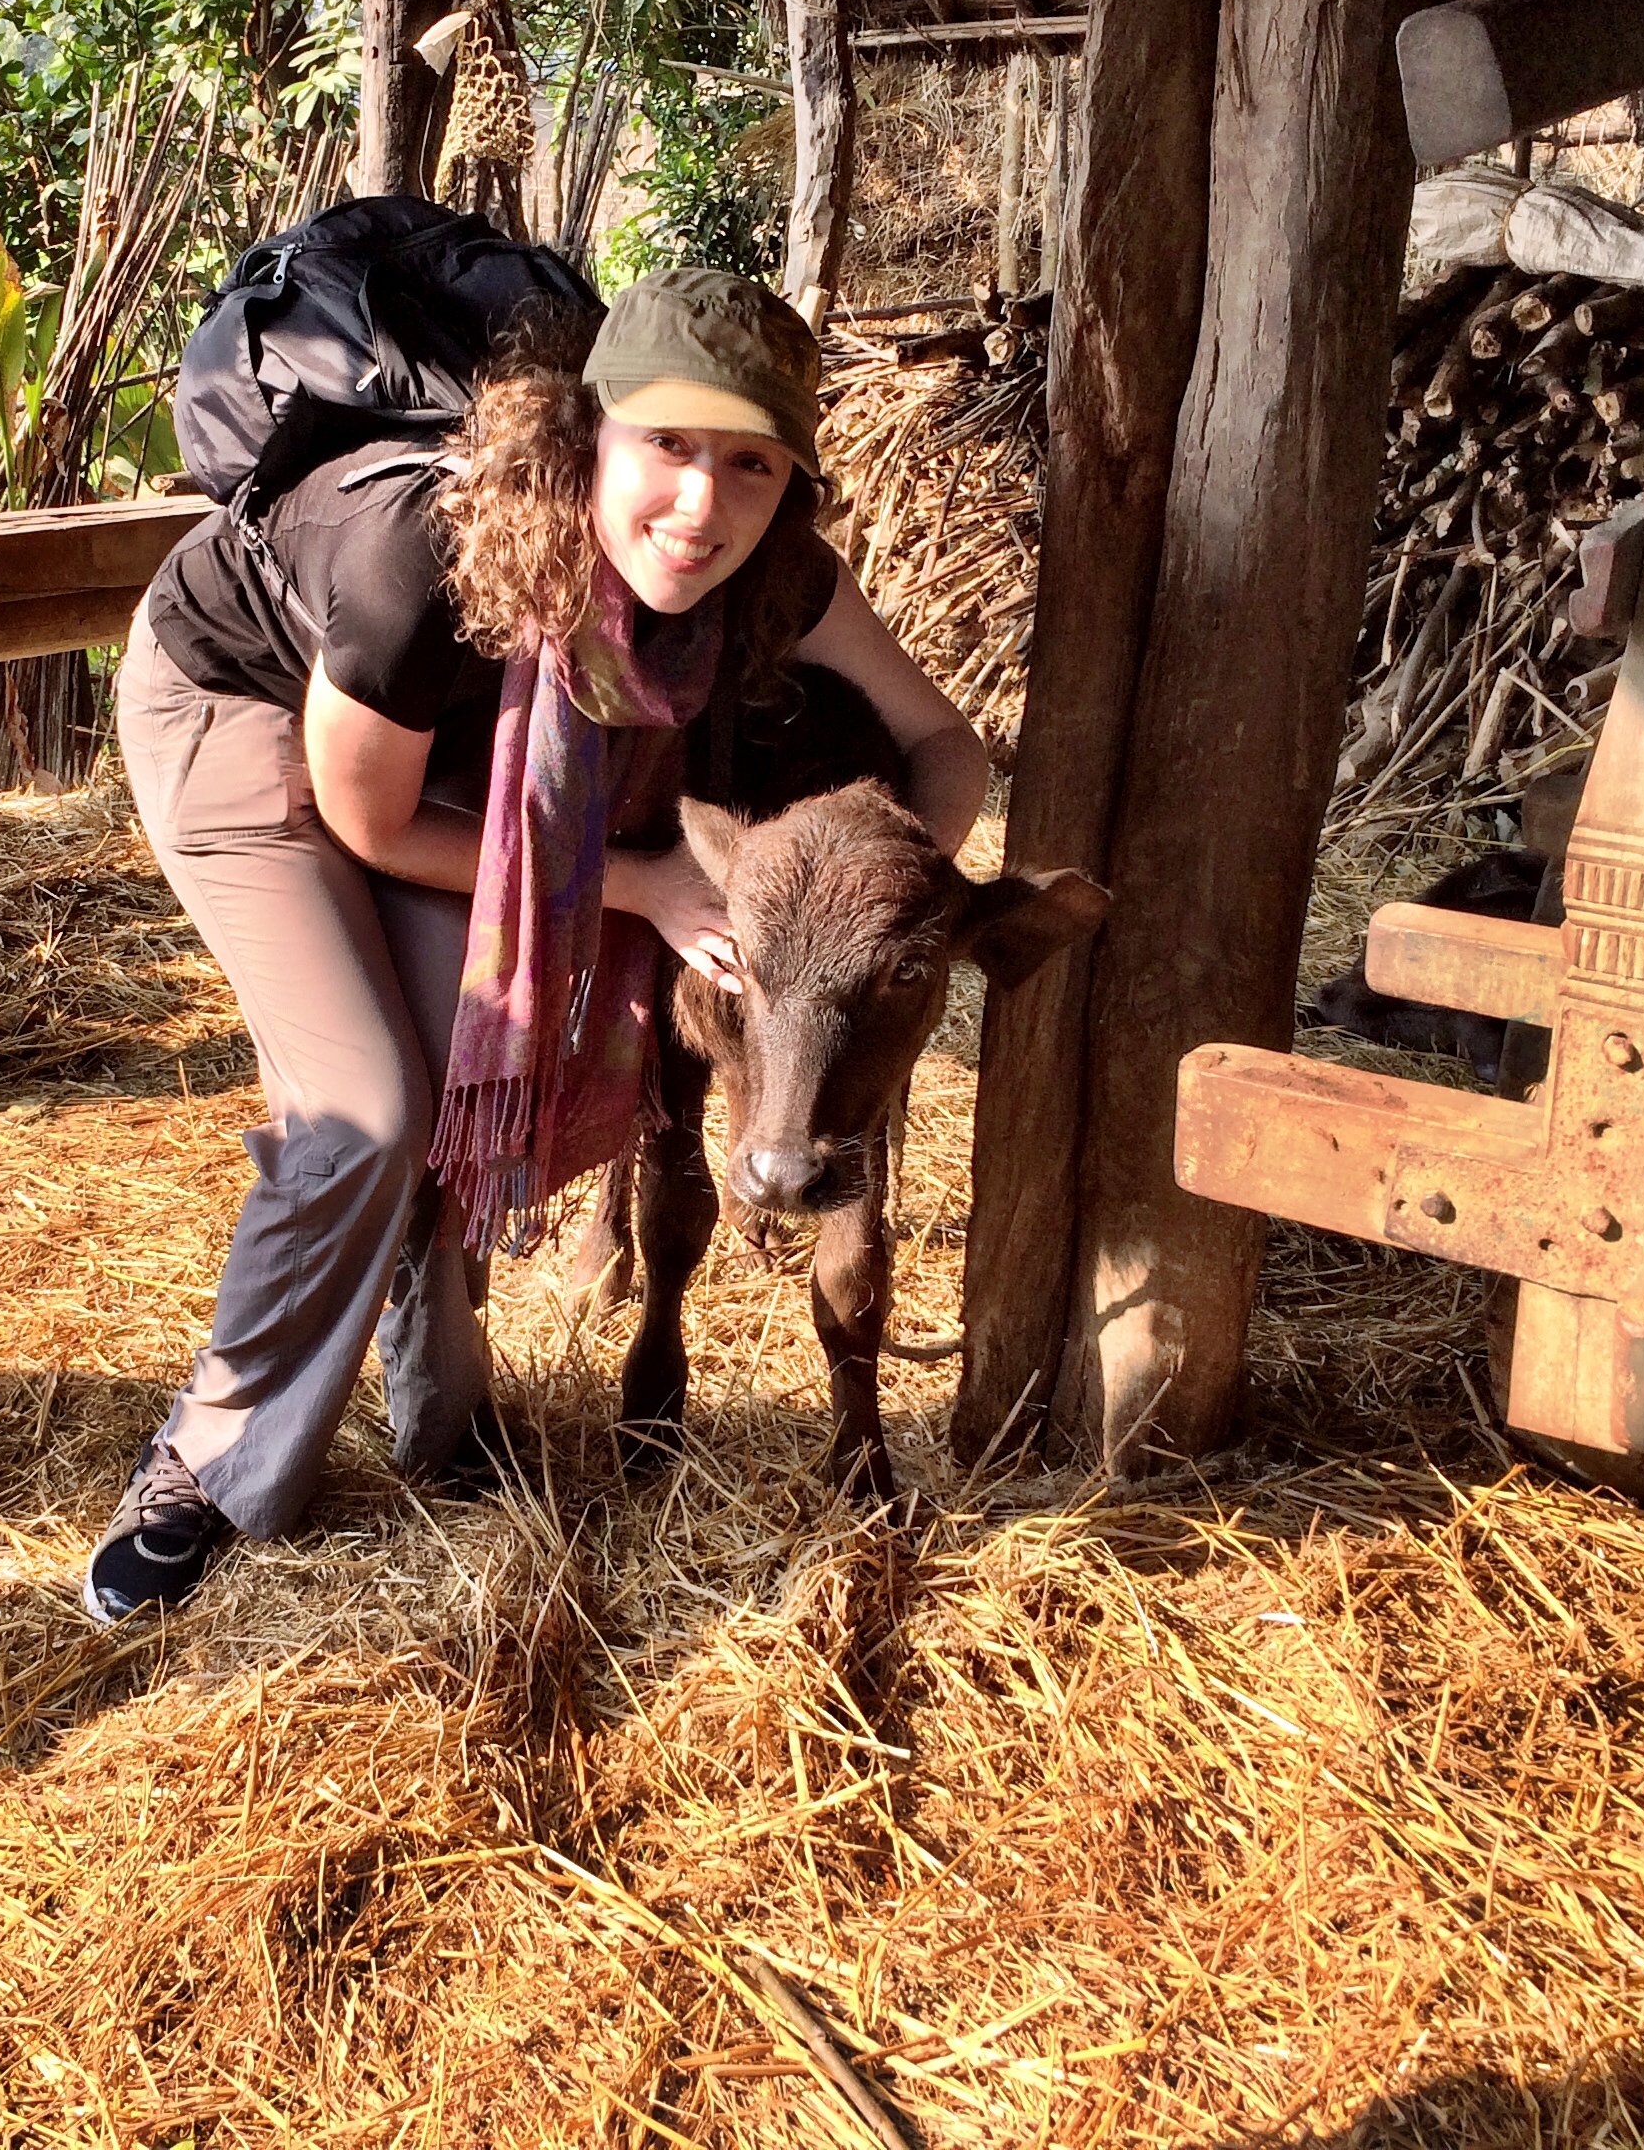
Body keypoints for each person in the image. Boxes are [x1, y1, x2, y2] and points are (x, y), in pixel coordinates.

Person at [86, 267, 987, 1623]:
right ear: (590, 430)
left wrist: (880, 891)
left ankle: (443, 1413)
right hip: (241, 707)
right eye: (667, 444)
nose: (702, 504)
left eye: (750, 463)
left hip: (435, 749)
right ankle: (203, 1469)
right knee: (368, 1109)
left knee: (463, 1061)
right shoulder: (420, 557)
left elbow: (945, 745)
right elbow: (371, 818)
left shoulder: (772, 571)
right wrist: (635, 885)